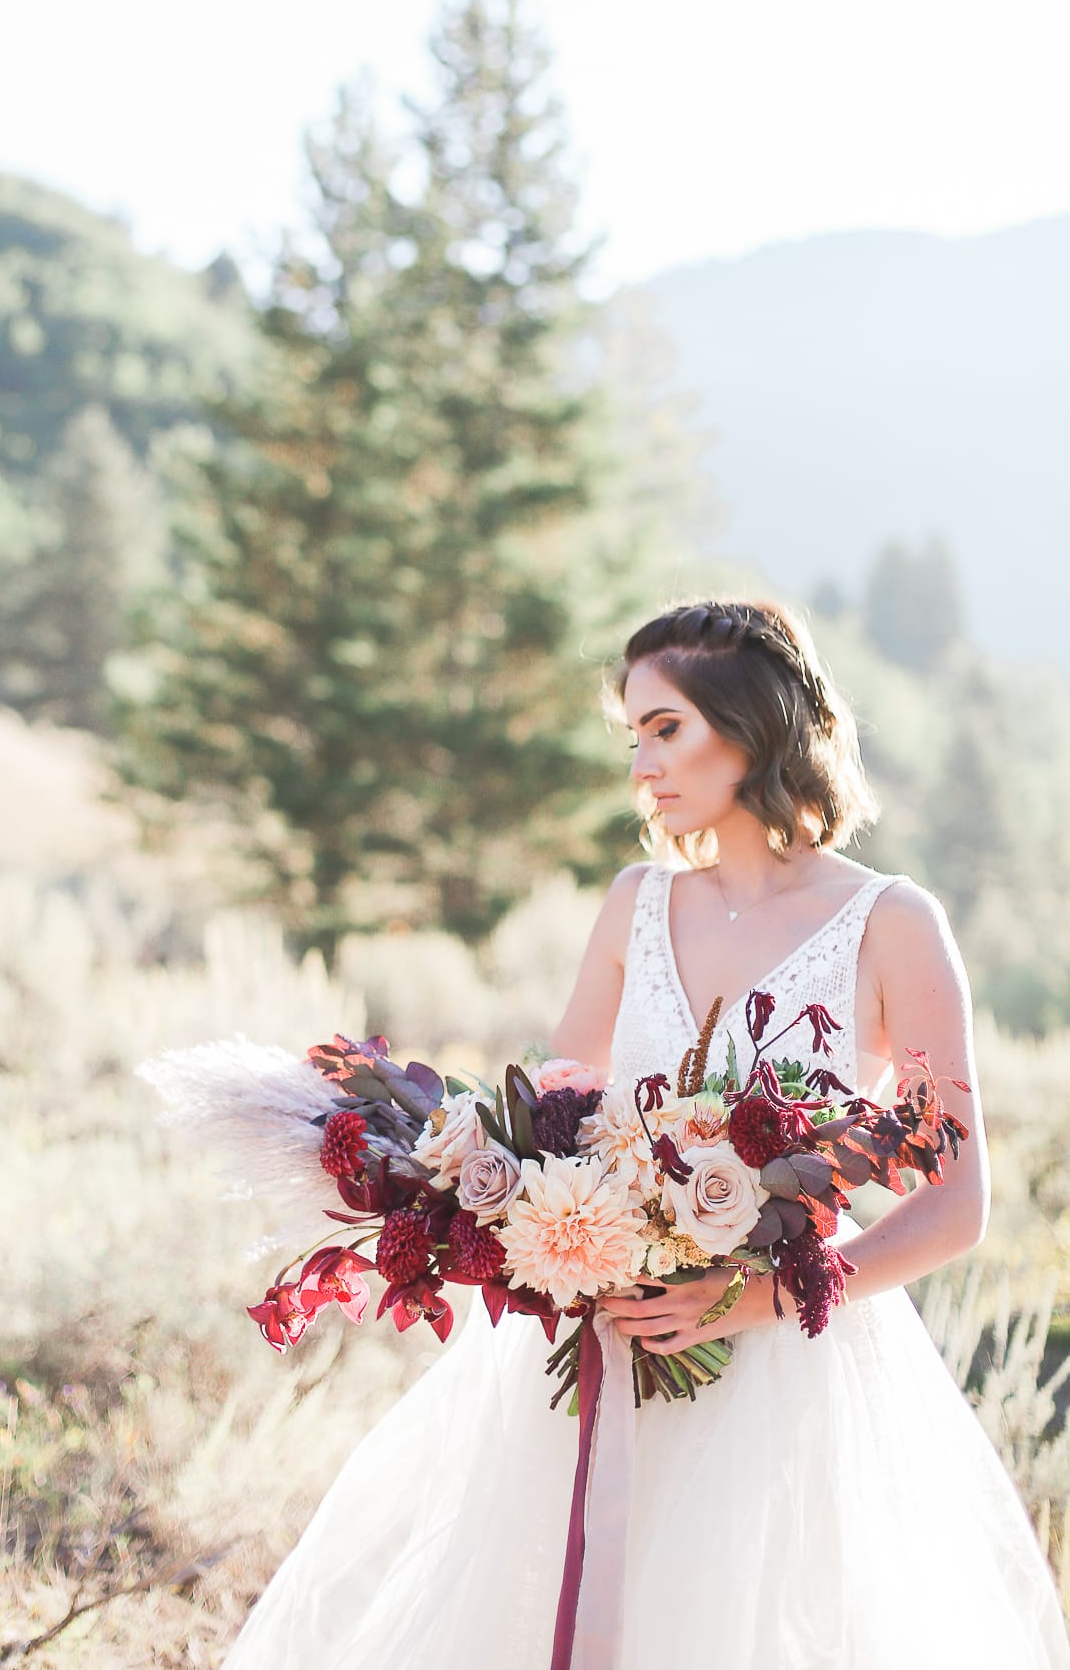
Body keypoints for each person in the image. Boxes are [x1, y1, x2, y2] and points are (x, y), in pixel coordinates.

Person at [221, 598, 1070, 1670]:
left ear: (753, 725)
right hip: (604, 1338)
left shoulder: (895, 922)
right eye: (634, 735)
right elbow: (560, 1118)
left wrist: (764, 1295)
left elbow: (959, 1202)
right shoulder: (634, 904)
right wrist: (504, 1203)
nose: (642, 764)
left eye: (666, 728)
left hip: (792, 1363)